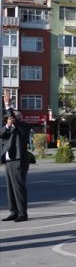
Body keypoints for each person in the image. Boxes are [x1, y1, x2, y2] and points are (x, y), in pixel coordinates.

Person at [1, 90, 31, 223]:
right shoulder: (8, 128)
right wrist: (7, 125)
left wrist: (7, 105)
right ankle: (13, 212)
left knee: (18, 187)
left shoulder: (23, 127)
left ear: (18, 119)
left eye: (12, 118)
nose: (10, 119)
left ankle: (22, 213)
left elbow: (14, 119)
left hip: (19, 160)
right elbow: (2, 134)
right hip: (9, 160)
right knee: (10, 188)